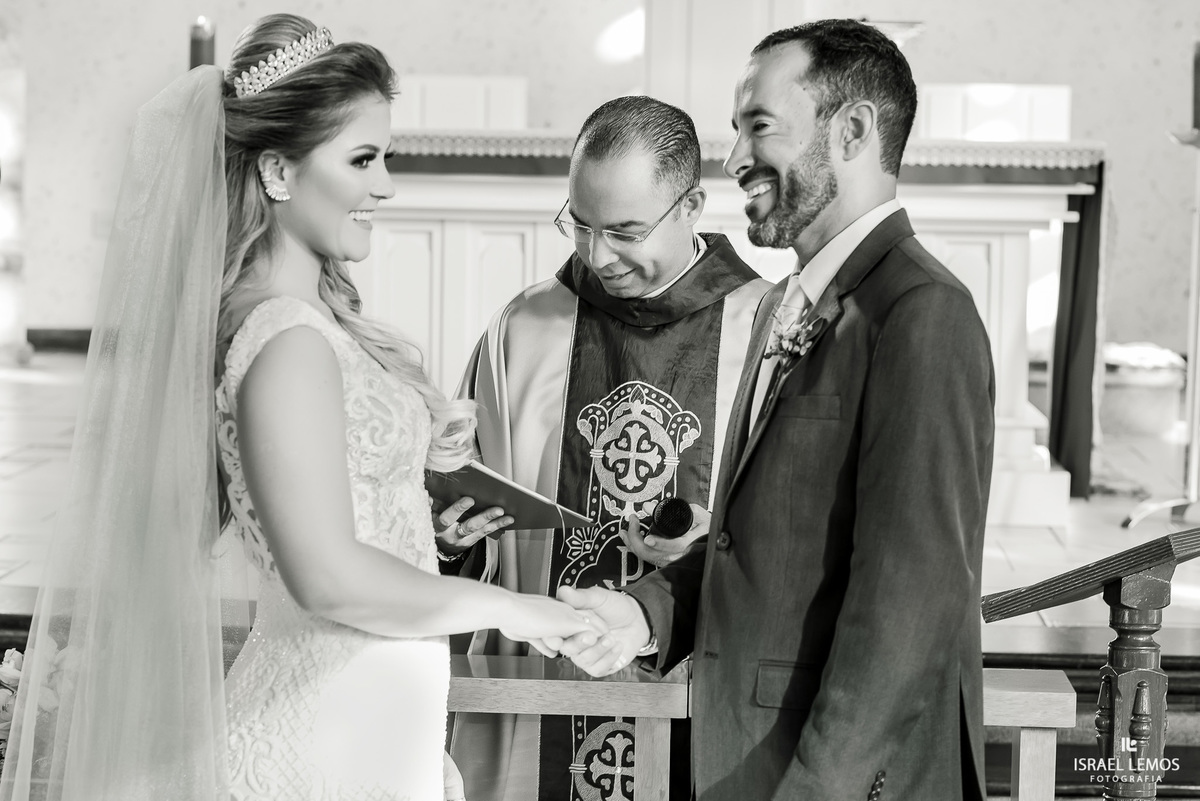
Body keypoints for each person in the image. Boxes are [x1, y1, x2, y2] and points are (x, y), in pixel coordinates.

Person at [0, 15, 600, 801]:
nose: (384, 183)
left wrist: (421, 524)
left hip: (370, 727)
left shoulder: (300, 326)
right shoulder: (284, 339)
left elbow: (337, 525)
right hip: (322, 736)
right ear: (278, 171)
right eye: (362, 158)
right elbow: (326, 578)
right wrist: (525, 611)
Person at [556, 19, 995, 801]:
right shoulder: (782, 306)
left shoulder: (921, 312)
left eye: (760, 126)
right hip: (749, 759)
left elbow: (910, 602)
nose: (732, 159)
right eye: (736, 130)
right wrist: (644, 613)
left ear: (852, 129)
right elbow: (756, 545)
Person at [447, 96, 771, 801]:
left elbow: (787, 539)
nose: (596, 256)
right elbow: (461, 493)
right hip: (540, 697)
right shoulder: (526, 326)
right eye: (580, 225)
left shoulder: (764, 331)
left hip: (700, 696)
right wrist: (451, 534)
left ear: (692, 204)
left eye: (624, 230)